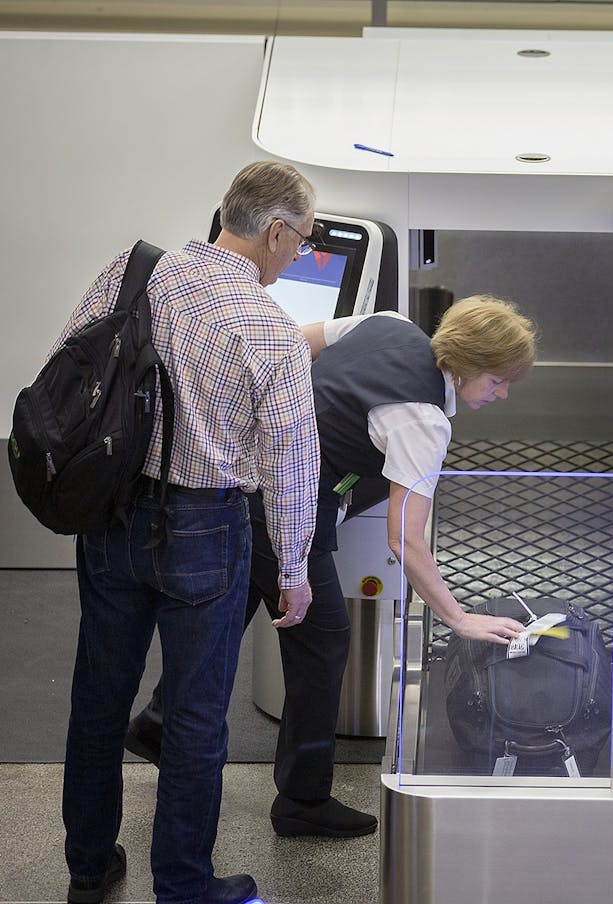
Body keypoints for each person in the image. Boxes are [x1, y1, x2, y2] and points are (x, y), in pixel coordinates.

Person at [126, 296, 537, 838]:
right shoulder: (423, 420)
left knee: (234, 609)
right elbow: (406, 540)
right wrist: (460, 618)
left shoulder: (387, 324)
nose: (503, 393)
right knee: (323, 641)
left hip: (239, 473)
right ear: (464, 363)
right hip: (288, 507)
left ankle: (158, 724)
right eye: (498, 379)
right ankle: (302, 800)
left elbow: (293, 342)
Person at [59, 162, 321, 904]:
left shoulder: (133, 272)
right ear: (275, 231)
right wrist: (293, 567)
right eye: (299, 243)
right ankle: (182, 883)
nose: (294, 255)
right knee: (200, 717)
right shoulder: (270, 327)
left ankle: (88, 868)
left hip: (111, 515)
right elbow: (293, 462)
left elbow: (67, 369)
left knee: (99, 699)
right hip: (206, 525)